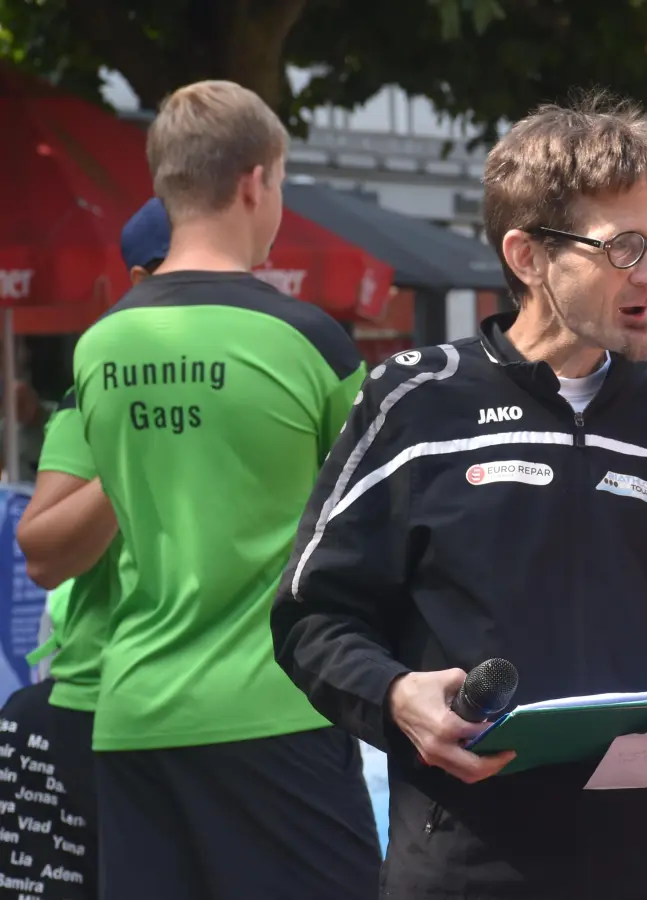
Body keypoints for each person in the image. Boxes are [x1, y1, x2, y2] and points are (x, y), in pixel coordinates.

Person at [271, 91, 647, 899]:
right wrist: (394, 694)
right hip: (466, 870)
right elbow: (312, 616)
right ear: (527, 256)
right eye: (623, 247)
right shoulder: (416, 401)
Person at [70, 81, 380, 899]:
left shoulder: (99, 348)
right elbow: (376, 516)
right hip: (276, 709)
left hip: (134, 711)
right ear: (256, 181)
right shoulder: (308, 340)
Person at [3, 197, 170, 897]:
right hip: (95, 699)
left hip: (224, 712)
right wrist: (134, 451)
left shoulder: (274, 371)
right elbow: (42, 554)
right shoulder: (93, 396)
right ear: (138, 280)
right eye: (179, 272)